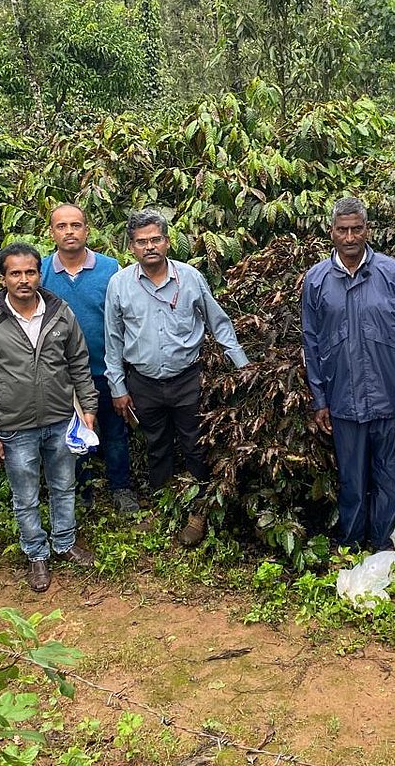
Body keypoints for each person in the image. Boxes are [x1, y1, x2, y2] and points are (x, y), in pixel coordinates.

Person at [103, 209, 248, 547]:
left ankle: (198, 511)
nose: (149, 246)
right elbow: (113, 339)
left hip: (187, 378)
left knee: (196, 446)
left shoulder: (190, 278)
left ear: (167, 242)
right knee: (157, 446)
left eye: (155, 239)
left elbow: (219, 323)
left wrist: (243, 368)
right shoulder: (119, 284)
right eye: (141, 242)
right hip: (143, 381)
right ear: (131, 248)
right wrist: (118, 387)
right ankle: (166, 508)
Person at [0, 243, 98, 592]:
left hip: (60, 420)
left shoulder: (60, 312)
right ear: (3, 277)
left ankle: (65, 544)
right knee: (25, 495)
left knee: (63, 486)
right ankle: (36, 553)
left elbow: (79, 363)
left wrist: (88, 408)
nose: (24, 280)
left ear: (40, 273)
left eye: (30, 272)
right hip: (14, 426)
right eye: (15, 273)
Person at [302, 197, 395, 551]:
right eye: (343, 230)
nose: (350, 237)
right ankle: (351, 546)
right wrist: (320, 398)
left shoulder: (391, 273)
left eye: (357, 229)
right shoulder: (317, 280)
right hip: (343, 400)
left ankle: (381, 546)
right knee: (351, 480)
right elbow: (311, 342)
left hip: (391, 397)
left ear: (367, 230)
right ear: (332, 232)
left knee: (391, 479)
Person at [39, 204, 135, 512]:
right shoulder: (38, 270)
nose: (69, 231)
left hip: (104, 368)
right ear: (52, 232)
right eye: (62, 226)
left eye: (76, 225)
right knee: (72, 434)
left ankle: (121, 489)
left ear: (86, 230)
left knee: (114, 432)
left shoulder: (109, 267)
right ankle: (82, 492)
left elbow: (123, 315)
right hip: (59, 374)